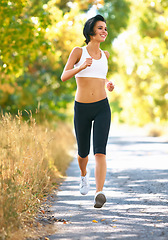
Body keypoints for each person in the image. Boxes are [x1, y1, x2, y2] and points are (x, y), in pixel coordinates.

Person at [61, 14, 114, 208]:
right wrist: (81, 66)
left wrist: (108, 84)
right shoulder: (78, 51)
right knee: (83, 152)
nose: (104, 31)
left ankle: (99, 192)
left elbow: (101, 77)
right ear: (91, 31)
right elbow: (64, 76)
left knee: (100, 152)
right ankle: (84, 175)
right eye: (100, 28)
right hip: (82, 108)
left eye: (105, 28)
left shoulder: (106, 55)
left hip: (102, 107)